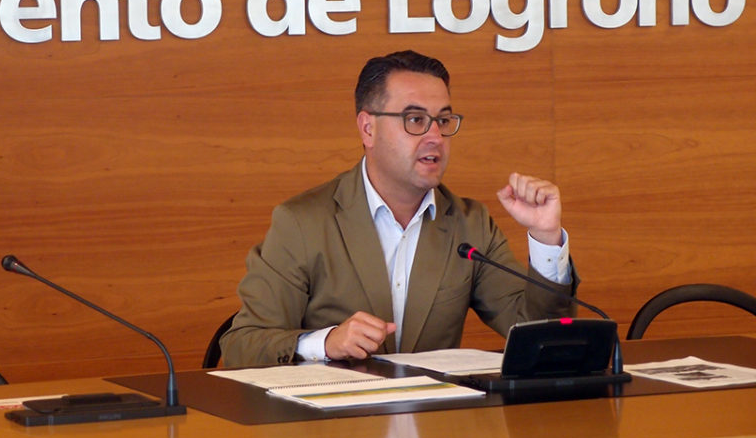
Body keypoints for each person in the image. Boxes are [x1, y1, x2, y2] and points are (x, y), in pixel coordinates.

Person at [219, 50, 576, 367]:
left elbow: (542, 338)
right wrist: (325, 343)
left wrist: (545, 237)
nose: (434, 136)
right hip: (335, 433)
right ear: (368, 128)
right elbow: (242, 345)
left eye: (444, 120)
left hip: (437, 431)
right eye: (415, 120)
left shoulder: (470, 224)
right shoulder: (302, 222)